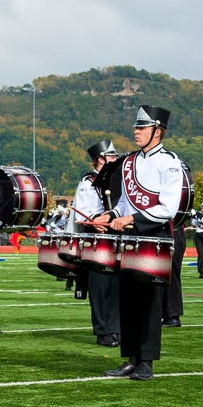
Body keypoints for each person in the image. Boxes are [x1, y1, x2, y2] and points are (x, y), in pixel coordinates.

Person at [95, 105, 182, 380]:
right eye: (136, 126)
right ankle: (131, 358)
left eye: (142, 127)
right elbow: (123, 203)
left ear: (158, 132)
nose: (136, 131)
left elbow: (168, 208)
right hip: (130, 237)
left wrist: (132, 218)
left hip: (153, 236)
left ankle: (147, 361)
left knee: (149, 301)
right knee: (128, 300)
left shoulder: (169, 162)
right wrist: (110, 215)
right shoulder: (130, 162)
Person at [69, 139, 121, 347]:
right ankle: (102, 331)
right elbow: (84, 211)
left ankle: (116, 328)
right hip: (97, 239)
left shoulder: (118, 180)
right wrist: (96, 221)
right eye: (111, 156)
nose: (115, 160)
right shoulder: (88, 182)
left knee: (116, 286)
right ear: (99, 159)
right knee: (100, 286)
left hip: (116, 236)